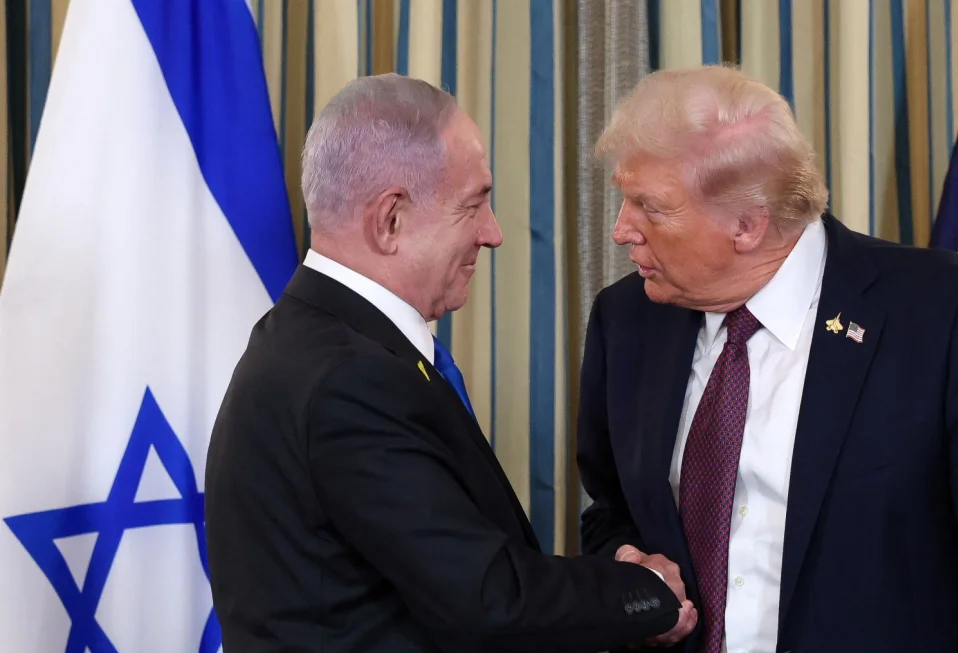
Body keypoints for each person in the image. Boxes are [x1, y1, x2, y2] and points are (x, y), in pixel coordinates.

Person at [576, 65, 958, 653]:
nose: (621, 231)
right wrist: (626, 562)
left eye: (651, 208)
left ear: (746, 224)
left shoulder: (943, 312)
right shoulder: (628, 320)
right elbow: (610, 508)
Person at [204, 74, 696, 653]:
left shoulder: (316, 342)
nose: (493, 234)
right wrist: (644, 592)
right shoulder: (348, 379)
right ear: (390, 220)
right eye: (474, 204)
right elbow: (487, 598)